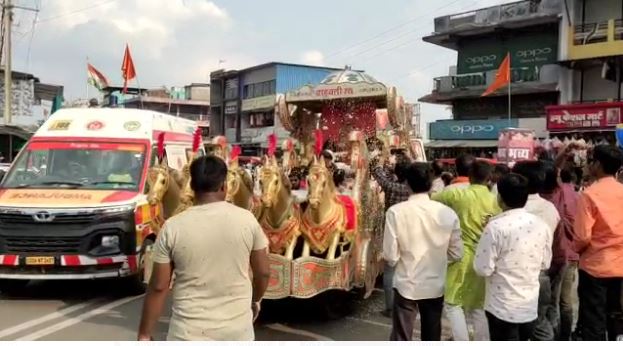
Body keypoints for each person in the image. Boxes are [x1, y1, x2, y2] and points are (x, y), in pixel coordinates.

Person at [137, 156, 270, 341]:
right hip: (237, 334)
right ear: (224, 186)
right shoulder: (248, 220)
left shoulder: (172, 227)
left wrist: (144, 333)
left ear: (192, 186)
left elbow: (159, 286)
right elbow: (263, 273)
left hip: (186, 335)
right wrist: (254, 300)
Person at [384, 162, 463, 341]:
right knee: (432, 334)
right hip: (435, 283)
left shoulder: (395, 212)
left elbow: (390, 256)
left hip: (406, 282)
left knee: (401, 336)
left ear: (407, 183)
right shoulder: (448, 213)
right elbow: (457, 253)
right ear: (431, 183)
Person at [474, 173, 552, 341]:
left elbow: (483, 269)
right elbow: (545, 263)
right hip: (528, 306)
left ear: (499, 198)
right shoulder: (541, 225)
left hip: (501, 306)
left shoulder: (495, 227)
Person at [432, 161, 501, 341]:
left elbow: (432, 199)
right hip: (486, 258)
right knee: (479, 306)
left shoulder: (457, 193)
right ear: (489, 179)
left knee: (453, 303)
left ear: (469, 176)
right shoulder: (496, 200)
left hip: (460, 257)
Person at [572, 145, 623, 340]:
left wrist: (578, 251)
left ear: (598, 165)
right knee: (617, 319)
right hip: (620, 266)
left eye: (591, 161)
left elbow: (582, 237)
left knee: (594, 322)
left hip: (596, 268)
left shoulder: (590, 194)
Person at [512, 160, 560, 341]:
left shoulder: (513, 208)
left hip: (515, 275)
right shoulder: (549, 208)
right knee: (539, 325)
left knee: (514, 328)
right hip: (541, 273)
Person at [541, 165, 579, 341]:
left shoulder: (551, 198)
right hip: (569, 254)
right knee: (564, 302)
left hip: (557, 255)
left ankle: (557, 338)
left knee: (552, 303)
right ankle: (565, 337)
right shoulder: (574, 194)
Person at [372, 152, 411, 318]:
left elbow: (377, 173)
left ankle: (390, 308)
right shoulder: (411, 189)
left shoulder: (393, 186)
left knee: (390, 271)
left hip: (393, 231)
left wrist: (378, 160)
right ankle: (407, 304)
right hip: (410, 232)